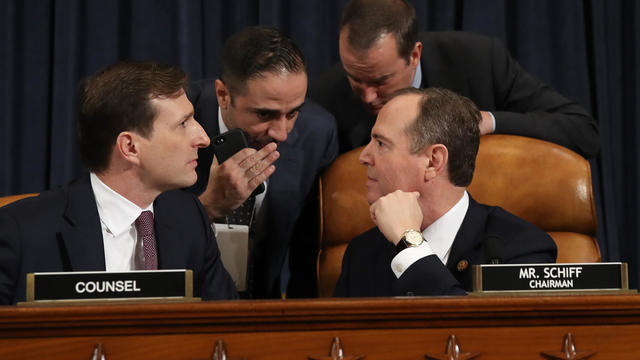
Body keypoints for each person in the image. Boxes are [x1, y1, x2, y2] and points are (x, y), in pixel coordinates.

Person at [0, 61, 238, 305]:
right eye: (183, 123)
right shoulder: (20, 233)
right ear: (130, 147)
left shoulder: (189, 219)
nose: (203, 138)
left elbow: (226, 328)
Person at [334, 87, 557, 297]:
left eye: (381, 143)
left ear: (433, 161)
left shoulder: (522, 248)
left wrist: (409, 245)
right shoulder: (362, 253)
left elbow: (474, 332)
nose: (363, 157)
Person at [309, 0, 600, 159]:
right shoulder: (325, 98)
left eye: (380, 81)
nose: (368, 96)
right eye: (355, 79)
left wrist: (489, 122)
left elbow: (583, 131)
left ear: (414, 55)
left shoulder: (479, 61)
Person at [186, 26, 338, 298]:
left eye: (293, 113)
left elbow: (308, 255)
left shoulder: (317, 132)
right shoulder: (175, 124)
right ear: (223, 95)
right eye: (265, 114)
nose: (281, 133)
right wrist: (208, 207)